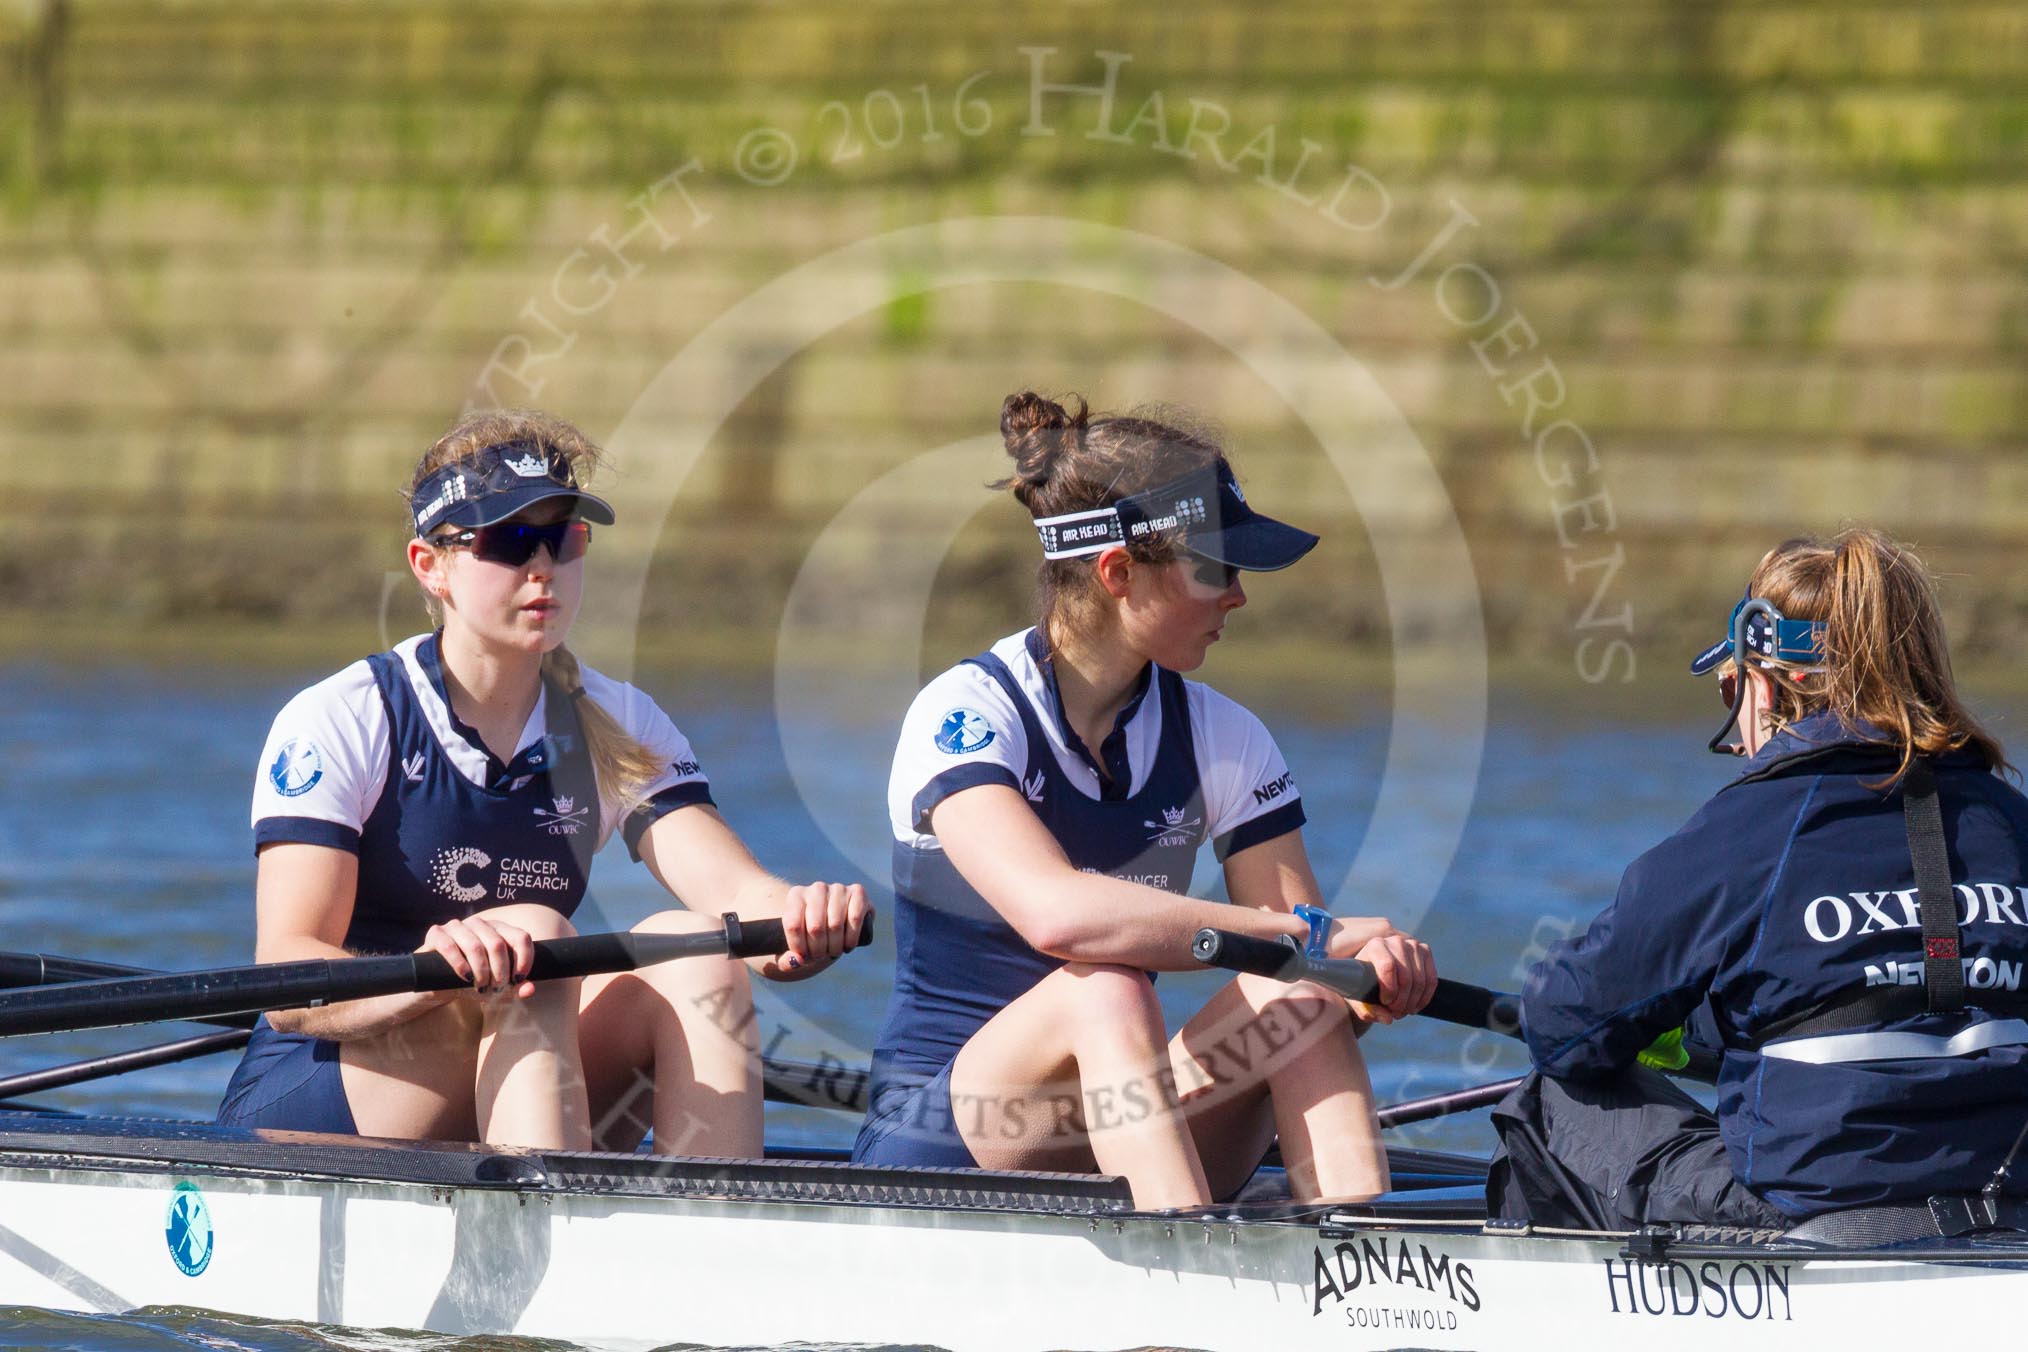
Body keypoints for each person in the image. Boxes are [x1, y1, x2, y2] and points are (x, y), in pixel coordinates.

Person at [217, 410, 870, 1154]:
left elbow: (737, 897)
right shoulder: (347, 718)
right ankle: (543, 1231)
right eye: (508, 541)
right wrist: (436, 976)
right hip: (325, 1097)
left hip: (524, 1050)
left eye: (563, 538)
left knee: (696, 953)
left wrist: (799, 919)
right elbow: (287, 983)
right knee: (537, 941)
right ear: (431, 567)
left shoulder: (617, 722)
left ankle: (713, 1233)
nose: (542, 568)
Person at [850, 392, 1437, 1209]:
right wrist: (1309, 935)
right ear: (1118, 572)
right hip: (946, 1144)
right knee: (1105, 987)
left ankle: (1365, 1272)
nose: (1239, 594)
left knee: (1300, 990)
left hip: (1125, 1121)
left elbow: (1309, 962)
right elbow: (1059, 918)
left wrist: (1362, 982)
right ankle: (1179, 1309)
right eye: (1216, 567)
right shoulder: (965, 716)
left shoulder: (1225, 737)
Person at [1493, 527, 2028, 1229]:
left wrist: (1671, 1031)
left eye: (1729, 691)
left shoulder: (1749, 827)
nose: (1739, 735)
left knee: (1549, 1096)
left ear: (1771, 681)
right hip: (2008, 1206)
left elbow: (1566, 1025)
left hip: (1818, 1213)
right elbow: (1898, 987)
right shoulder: (2010, 820)